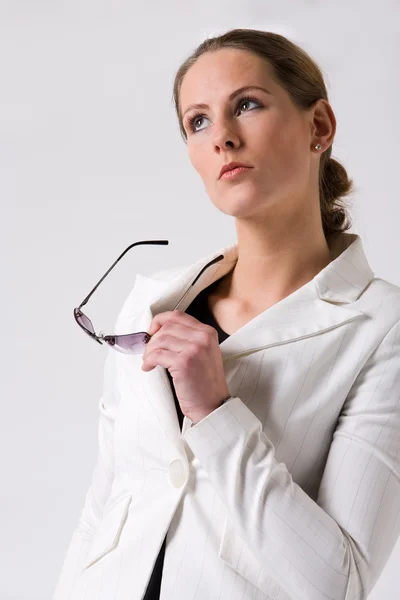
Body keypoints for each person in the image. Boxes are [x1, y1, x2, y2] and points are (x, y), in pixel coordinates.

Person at [53, 28, 400, 600]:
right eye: (199, 121)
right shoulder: (149, 303)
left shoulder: (381, 327)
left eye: (247, 105)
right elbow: (100, 517)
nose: (223, 138)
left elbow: (338, 584)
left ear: (319, 127)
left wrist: (216, 413)